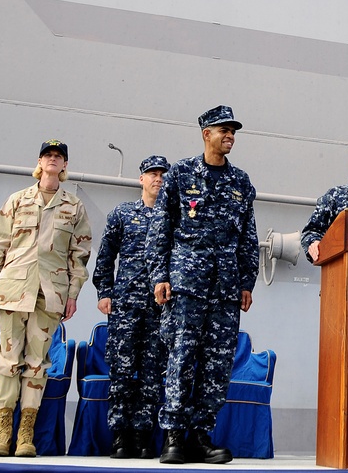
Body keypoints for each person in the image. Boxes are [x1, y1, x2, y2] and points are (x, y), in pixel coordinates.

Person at [147, 106, 259, 465]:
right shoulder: (180, 174)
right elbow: (161, 228)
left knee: (217, 364)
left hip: (225, 287)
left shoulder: (241, 182)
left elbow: (247, 237)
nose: (230, 135)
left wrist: (246, 282)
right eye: (223, 129)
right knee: (181, 357)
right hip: (186, 283)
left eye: (233, 130)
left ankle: (200, 435)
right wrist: (159, 276)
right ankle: (173, 437)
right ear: (205, 134)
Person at [0, 139, 92, 457]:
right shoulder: (17, 200)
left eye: (59, 157)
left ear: (65, 165)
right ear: (39, 162)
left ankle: (25, 433)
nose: (53, 160)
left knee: (37, 364)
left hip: (50, 295)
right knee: (7, 361)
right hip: (13, 291)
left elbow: (79, 255)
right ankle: (3, 432)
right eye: (48, 155)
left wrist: (72, 295)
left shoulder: (73, 207)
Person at [92, 155, 171, 459]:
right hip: (125, 305)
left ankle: (141, 436)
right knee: (123, 371)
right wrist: (104, 291)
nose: (158, 178)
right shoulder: (122, 214)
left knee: (151, 372)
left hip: (159, 308)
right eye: (152, 173)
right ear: (141, 179)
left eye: (163, 174)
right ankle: (120, 435)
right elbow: (106, 256)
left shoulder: (173, 217)